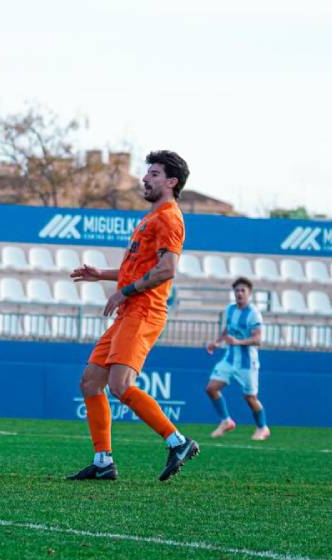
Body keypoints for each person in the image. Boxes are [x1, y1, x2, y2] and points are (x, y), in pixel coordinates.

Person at [67, 150, 199, 482]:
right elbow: (138, 269)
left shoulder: (169, 218)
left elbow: (167, 269)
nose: (145, 178)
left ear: (171, 182)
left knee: (120, 384)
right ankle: (103, 462)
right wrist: (101, 275)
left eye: (154, 174)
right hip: (129, 311)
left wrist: (123, 292)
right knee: (91, 381)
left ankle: (178, 442)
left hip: (144, 311)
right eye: (147, 173)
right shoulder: (151, 217)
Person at [205, 277, 270, 441]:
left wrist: (238, 342)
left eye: (243, 290)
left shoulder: (253, 314)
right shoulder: (230, 309)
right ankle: (226, 421)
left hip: (247, 363)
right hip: (229, 359)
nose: (239, 293)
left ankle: (262, 427)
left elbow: (258, 340)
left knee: (250, 398)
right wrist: (216, 342)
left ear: (249, 293)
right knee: (211, 388)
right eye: (237, 290)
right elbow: (227, 330)